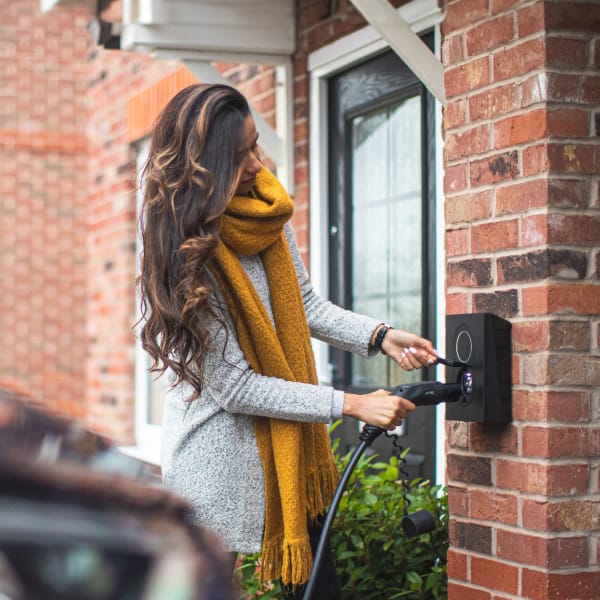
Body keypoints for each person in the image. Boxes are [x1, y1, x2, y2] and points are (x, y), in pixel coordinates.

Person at [138, 83, 438, 599]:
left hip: (289, 456)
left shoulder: (265, 211)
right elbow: (236, 388)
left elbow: (305, 306)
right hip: (216, 463)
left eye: (256, 144)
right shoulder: (185, 255)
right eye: (240, 155)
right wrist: (351, 403)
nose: (257, 163)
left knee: (321, 589)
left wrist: (380, 335)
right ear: (204, 169)